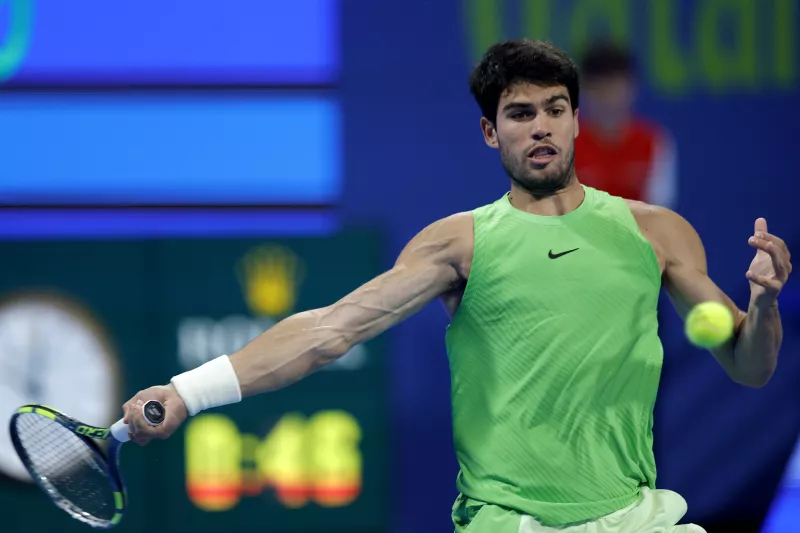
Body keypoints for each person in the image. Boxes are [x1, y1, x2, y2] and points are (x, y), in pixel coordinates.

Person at [123, 39, 792, 532]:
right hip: (510, 521)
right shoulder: (459, 244)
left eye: (555, 109)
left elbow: (751, 366)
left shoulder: (656, 233)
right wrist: (188, 391)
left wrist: (763, 306)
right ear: (489, 132)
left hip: (634, 518)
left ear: (575, 120)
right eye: (520, 113)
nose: (541, 126)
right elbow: (331, 330)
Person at [574, 40, 678, 209]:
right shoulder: (566, 145)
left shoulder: (654, 143)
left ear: (631, 88)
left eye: (615, 88)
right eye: (600, 89)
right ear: (585, 90)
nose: (609, 98)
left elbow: (659, 212)